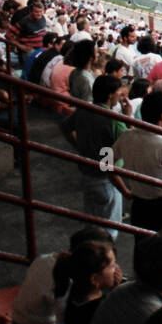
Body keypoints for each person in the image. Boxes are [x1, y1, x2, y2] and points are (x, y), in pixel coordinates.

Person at [113, 90, 162, 231]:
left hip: (139, 204)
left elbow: (104, 162)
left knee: (142, 244)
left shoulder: (126, 135)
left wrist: (124, 191)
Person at [61, 74, 128, 239]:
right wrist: (125, 191)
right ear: (110, 95)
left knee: (91, 225)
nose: (121, 95)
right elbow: (109, 165)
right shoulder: (113, 120)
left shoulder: (84, 109)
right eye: (119, 92)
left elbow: (65, 127)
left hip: (87, 175)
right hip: (107, 182)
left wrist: (80, 147)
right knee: (109, 232)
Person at [57, 239, 124, 324]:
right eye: (112, 266)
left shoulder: (75, 287)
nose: (117, 269)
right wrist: (117, 290)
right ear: (94, 279)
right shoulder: (102, 309)